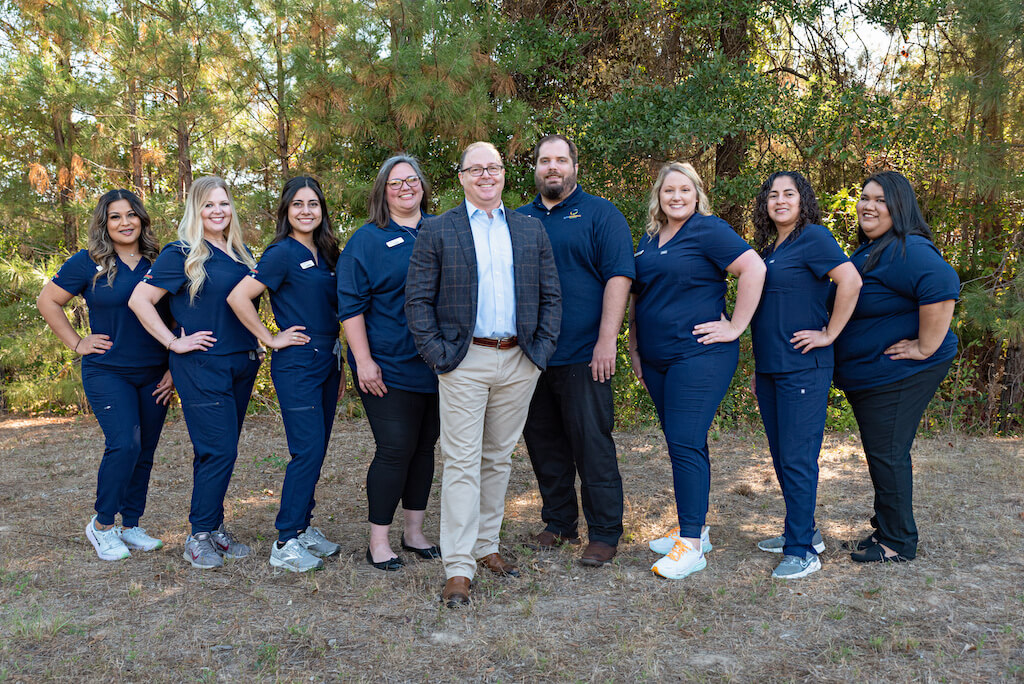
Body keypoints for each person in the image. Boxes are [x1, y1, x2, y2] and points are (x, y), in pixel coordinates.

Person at [405, 141, 561, 607]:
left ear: (504, 174)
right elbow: (416, 301)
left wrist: (540, 353)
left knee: (497, 458)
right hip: (463, 361)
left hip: (519, 360)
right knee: (460, 462)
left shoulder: (530, 230)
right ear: (462, 178)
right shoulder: (437, 229)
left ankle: (486, 546)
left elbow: (551, 296)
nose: (485, 176)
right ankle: (458, 567)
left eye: (492, 167)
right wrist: (439, 355)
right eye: (476, 169)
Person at [629, 162, 765, 580]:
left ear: (696, 194)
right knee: (683, 442)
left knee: (684, 442)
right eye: (668, 190)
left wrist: (736, 326)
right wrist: (633, 347)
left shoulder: (707, 229)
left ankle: (690, 546)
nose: (676, 197)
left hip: (699, 355)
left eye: (684, 190)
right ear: (658, 196)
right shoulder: (649, 240)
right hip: (656, 359)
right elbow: (639, 296)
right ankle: (697, 529)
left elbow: (753, 269)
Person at [129, 176, 260, 570]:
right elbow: (140, 300)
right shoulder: (182, 253)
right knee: (219, 448)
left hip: (242, 361)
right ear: (196, 210)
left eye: (223, 203)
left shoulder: (242, 252)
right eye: (208, 205)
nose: (217, 211)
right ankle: (198, 535)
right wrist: (173, 343)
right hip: (202, 364)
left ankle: (214, 526)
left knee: (219, 448)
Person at [515, 134, 634, 566]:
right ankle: (559, 522)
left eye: (560, 160)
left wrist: (607, 341)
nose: (552, 167)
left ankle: (604, 533)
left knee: (592, 445)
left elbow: (619, 278)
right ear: (536, 169)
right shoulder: (517, 219)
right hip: (530, 356)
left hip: (585, 353)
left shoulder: (601, 214)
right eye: (545, 161)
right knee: (544, 444)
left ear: (574, 166)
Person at [37, 189, 174, 561]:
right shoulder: (87, 262)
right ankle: (101, 526)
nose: (125, 222)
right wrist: (77, 342)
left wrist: (173, 370)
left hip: (155, 373)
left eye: (131, 215)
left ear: (142, 219)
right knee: (125, 444)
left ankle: (131, 525)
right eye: (115, 216)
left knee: (144, 450)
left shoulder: (160, 262)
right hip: (108, 371)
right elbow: (47, 301)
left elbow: (176, 319)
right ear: (104, 223)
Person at [833, 170, 959, 563]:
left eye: (880, 200)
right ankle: (885, 530)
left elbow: (943, 284)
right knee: (882, 451)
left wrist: (925, 346)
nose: (868, 206)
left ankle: (898, 543)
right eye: (865, 198)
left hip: (899, 374)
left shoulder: (907, 247)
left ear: (899, 207)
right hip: (875, 375)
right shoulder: (875, 249)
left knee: (888, 451)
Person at [748, 171, 862, 579]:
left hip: (803, 368)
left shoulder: (813, 237)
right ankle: (805, 531)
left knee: (798, 460)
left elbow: (851, 280)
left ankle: (802, 552)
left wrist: (829, 333)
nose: (780, 200)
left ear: (802, 200)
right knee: (783, 458)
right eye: (772, 194)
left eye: (789, 194)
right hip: (771, 368)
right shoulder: (771, 248)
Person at [226, 177, 342, 573]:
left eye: (313, 203)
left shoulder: (327, 253)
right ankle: (286, 540)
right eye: (298, 204)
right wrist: (270, 337)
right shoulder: (280, 253)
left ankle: (304, 527)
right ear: (286, 211)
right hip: (298, 363)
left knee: (318, 448)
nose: (306, 210)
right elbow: (238, 297)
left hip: (328, 359)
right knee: (306, 449)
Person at [336, 156, 441, 572]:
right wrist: (363, 361)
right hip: (385, 367)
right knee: (395, 449)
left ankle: (414, 533)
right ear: (383, 191)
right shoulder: (366, 241)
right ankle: (378, 540)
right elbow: (351, 308)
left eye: (411, 180)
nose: (405, 188)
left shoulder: (441, 231)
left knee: (424, 450)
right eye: (395, 183)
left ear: (422, 187)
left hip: (436, 365)